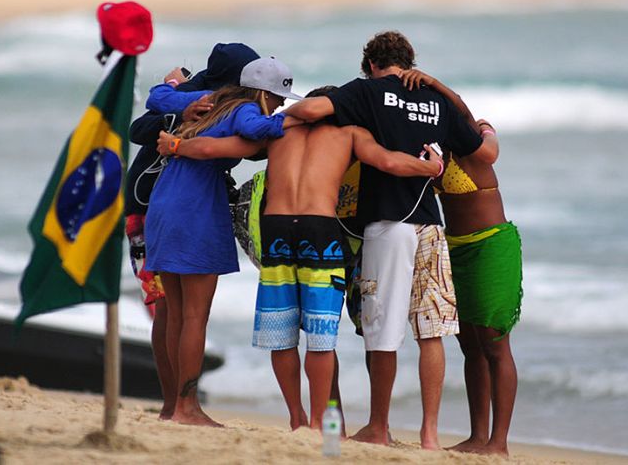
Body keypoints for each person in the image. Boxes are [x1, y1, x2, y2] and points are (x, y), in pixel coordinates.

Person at [158, 85, 445, 432]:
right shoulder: (350, 132)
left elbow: (214, 147)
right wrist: (429, 167)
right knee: (320, 336)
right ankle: (319, 421)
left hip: (277, 229)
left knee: (282, 332)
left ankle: (295, 419)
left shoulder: (279, 130)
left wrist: (176, 145)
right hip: (319, 230)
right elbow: (387, 161)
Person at [282, 31, 496, 449]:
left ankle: (366, 429)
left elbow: (311, 109)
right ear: (409, 61)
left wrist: (278, 117)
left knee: (368, 331)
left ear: (370, 65)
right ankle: (429, 436)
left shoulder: (365, 94)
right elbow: (484, 153)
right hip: (430, 226)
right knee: (430, 329)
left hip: (379, 227)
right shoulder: (436, 102)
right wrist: (485, 129)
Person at [144, 56, 303, 427]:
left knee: (177, 316)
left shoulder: (212, 99)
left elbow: (158, 99)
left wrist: (174, 90)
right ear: (264, 93)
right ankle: (187, 409)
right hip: (195, 207)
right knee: (196, 316)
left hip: (164, 204)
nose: (280, 104)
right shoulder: (247, 108)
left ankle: (174, 406)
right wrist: (292, 119)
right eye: (279, 98)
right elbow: (260, 127)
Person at [124, 42, 259, 419]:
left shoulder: (196, 92)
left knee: (170, 311)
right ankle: (178, 405)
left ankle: (173, 407)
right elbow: (138, 128)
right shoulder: (204, 97)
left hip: (162, 208)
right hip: (147, 209)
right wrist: (179, 114)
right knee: (167, 310)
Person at [401, 69, 523, 457]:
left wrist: (434, 84)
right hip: (454, 248)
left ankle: (498, 442)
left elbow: (463, 110)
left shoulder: (472, 142)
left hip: (491, 246)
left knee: (494, 342)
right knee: (469, 345)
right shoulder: (432, 149)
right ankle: (476, 436)